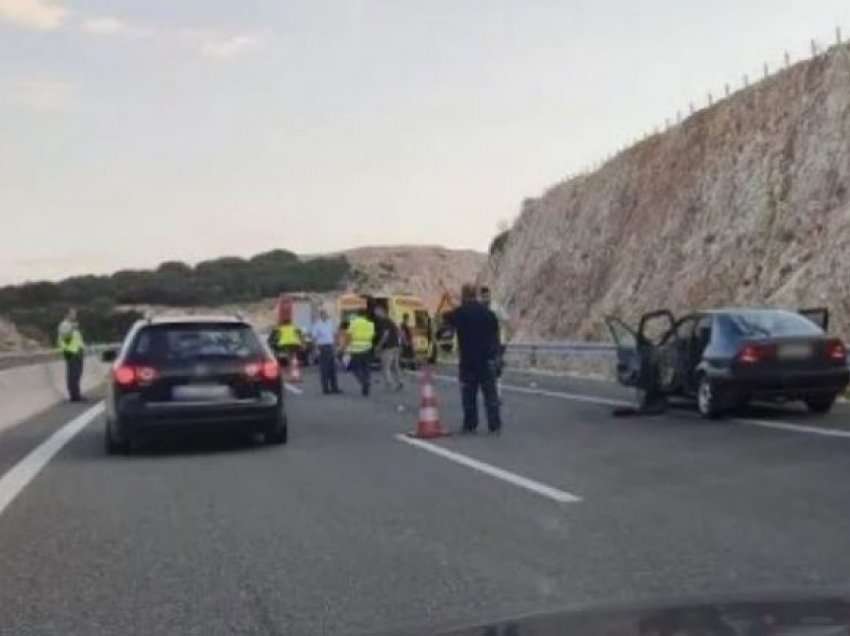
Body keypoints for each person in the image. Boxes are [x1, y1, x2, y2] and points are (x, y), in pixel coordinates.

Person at [443, 284, 502, 434]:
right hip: (486, 360)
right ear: (475, 294)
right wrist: (497, 357)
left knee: (469, 396)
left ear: (463, 295)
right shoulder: (489, 314)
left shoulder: (460, 313)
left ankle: (470, 424)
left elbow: (445, 318)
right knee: (490, 395)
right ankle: (494, 424)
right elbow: (496, 338)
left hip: (468, 361)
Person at [479, 286, 509, 400]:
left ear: (489, 295)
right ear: (481, 297)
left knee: (497, 369)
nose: (485, 298)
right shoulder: (480, 309)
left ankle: (498, 394)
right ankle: (489, 394)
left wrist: (502, 330)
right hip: (485, 343)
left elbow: (506, 319)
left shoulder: (496, 307)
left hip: (499, 342)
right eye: (483, 296)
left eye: (487, 296)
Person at [57, 308, 85, 402]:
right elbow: (65, 336)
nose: (75, 316)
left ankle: (77, 394)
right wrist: (72, 328)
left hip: (77, 351)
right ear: (67, 315)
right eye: (73, 314)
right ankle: (74, 396)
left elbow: (77, 340)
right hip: (70, 352)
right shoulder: (64, 325)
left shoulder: (72, 325)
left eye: (75, 314)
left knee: (77, 374)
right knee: (73, 374)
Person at [310, 308, 340, 395]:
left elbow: (334, 335)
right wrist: (316, 349)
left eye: (326, 314)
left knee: (332, 369)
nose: (325, 316)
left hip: (330, 347)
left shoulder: (330, 323)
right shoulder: (317, 325)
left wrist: (335, 347)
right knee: (324, 369)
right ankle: (325, 389)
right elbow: (314, 338)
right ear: (321, 315)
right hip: (322, 347)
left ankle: (335, 388)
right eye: (323, 314)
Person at [373, 306, 403, 391]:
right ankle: (400, 381)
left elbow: (385, 335)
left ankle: (390, 385)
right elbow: (399, 332)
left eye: (377, 312)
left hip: (388, 347)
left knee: (385, 367)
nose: (375, 314)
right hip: (396, 346)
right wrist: (401, 343)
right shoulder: (391, 321)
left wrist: (378, 346)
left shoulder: (383, 321)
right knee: (395, 366)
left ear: (382, 312)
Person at [346, 309, 375, 396]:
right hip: (367, 349)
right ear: (365, 316)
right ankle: (367, 381)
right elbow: (372, 336)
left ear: (358, 315)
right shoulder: (370, 324)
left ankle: (363, 382)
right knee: (366, 368)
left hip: (356, 349)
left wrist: (346, 348)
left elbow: (349, 336)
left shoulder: (353, 323)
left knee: (355, 369)